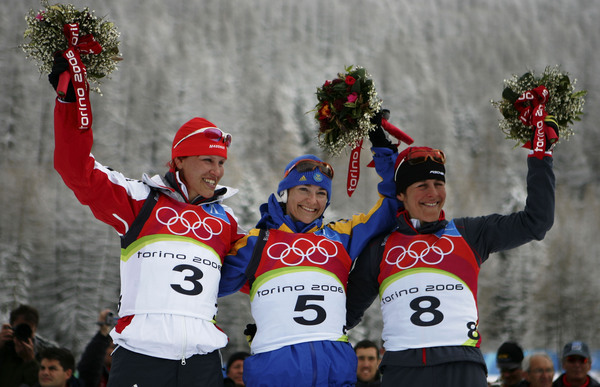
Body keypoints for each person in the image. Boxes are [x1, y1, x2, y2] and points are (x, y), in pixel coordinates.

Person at [48, 55, 246, 387]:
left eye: (221, 162)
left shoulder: (226, 220)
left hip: (202, 363)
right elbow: (76, 170)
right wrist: (70, 100)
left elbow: (262, 269)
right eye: (207, 160)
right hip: (142, 358)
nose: (217, 171)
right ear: (179, 159)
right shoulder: (140, 200)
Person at [346, 126, 557, 387]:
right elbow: (345, 314)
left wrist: (541, 155)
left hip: (462, 366)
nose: (432, 193)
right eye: (421, 185)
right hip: (402, 369)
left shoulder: (469, 233)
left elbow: (537, 222)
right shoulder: (381, 247)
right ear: (401, 194)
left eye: (438, 184)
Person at [219, 127, 400, 386]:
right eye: (303, 189)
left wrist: (383, 149)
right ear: (285, 192)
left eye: (321, 193)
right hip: (277, 376)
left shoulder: (340, 237)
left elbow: (392, 204)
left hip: (335, 375)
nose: (312, 200)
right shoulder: (255, 244)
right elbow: (206, 286)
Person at [0, 304, 56, 387]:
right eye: (20, 328)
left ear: (35, 329)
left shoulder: (46, 353)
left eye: (27, 330)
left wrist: (30, 361)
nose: (23, 333)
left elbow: (47, 384)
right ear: (11, 328)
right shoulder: (4, 346)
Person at [77, 309, 116, 387]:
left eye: (116, 347)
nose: (113, 351)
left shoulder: (123, 371)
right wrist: (103, 333)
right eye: (110, 347)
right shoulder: (95, 372)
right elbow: (91, 361)